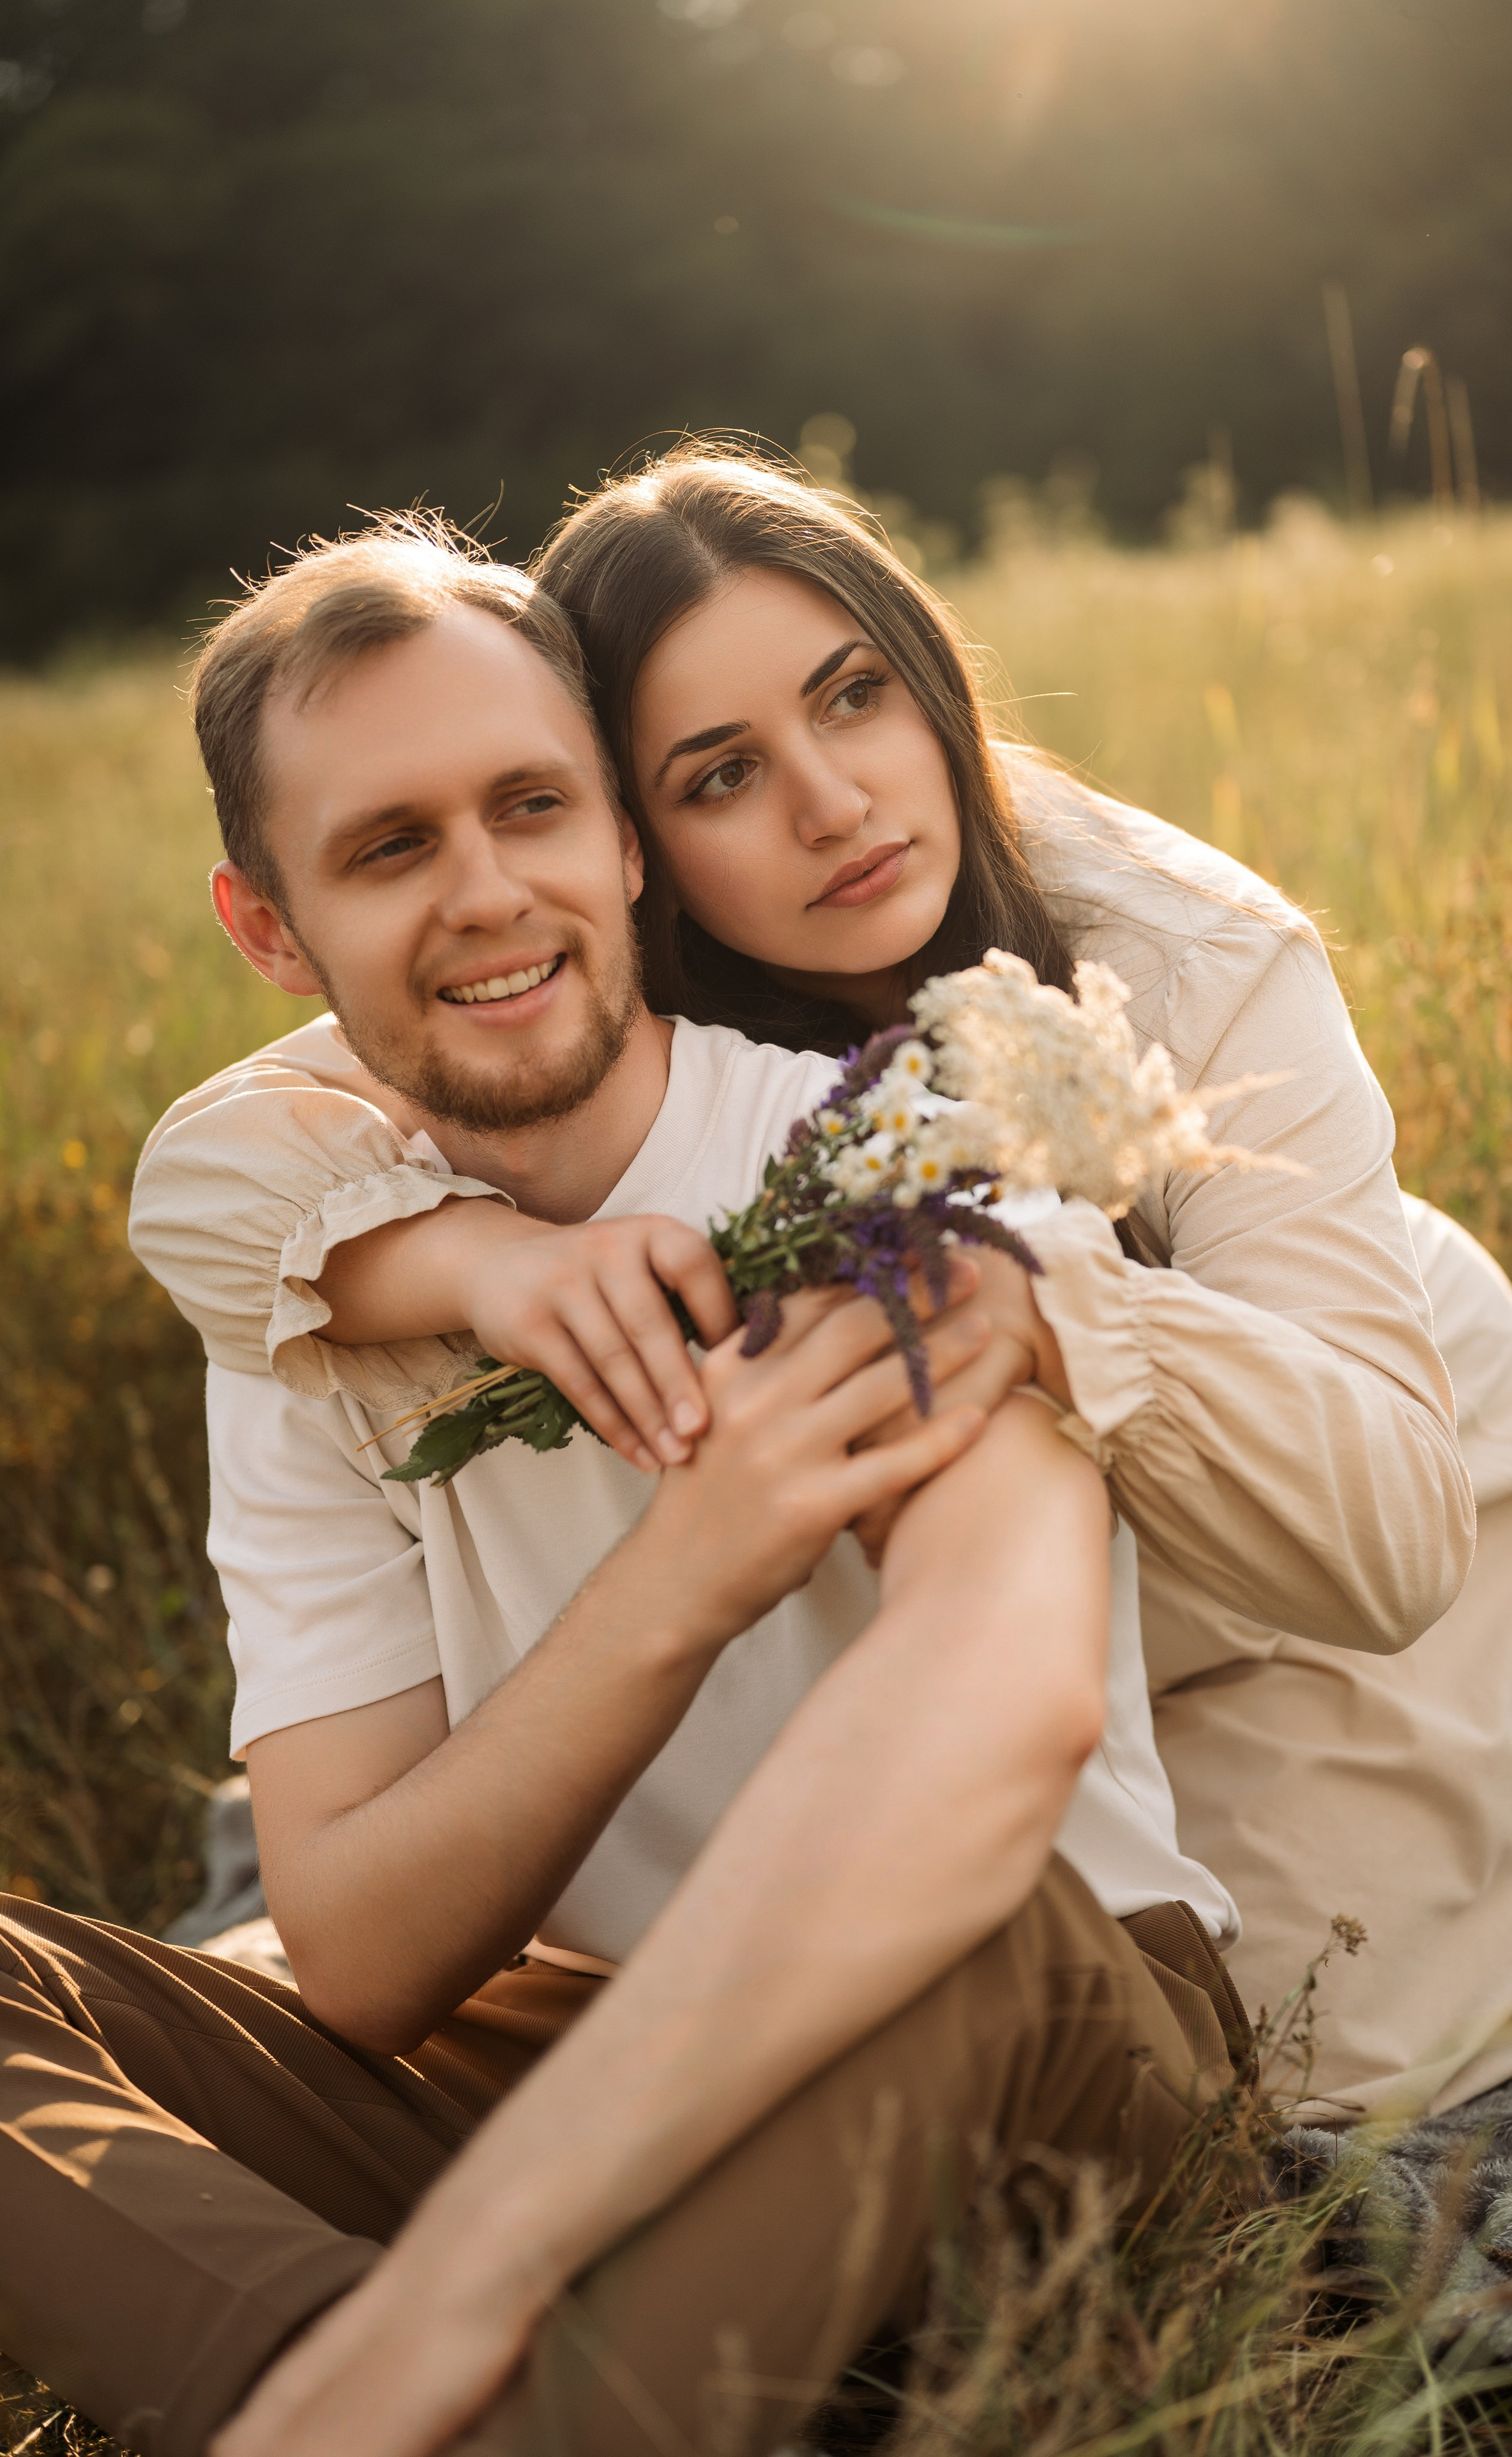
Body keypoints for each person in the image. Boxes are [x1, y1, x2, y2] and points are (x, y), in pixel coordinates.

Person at [133, 450, 1512, 2120]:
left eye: (856, 696)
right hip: (985, 1597)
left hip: (1317, 1499)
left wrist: (1067, 1306)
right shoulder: (553, 959)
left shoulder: (1188, 952)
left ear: (929, 682)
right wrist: (470, 1256)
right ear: (630, 827)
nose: (832, 803)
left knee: (1288, 2071)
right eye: (718, 775)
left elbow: (1396, 1546)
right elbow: (211, 1169)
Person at [2, 527, 1251, 2457]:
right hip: (588, 2047)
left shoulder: (881, 1173)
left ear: (627, 842)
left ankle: (415, 2373)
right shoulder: (311, 1291)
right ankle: (333, 2378)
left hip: (1034, 2029)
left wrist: (471, 2269)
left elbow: (1007, 1727)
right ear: (269, 930)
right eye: (390, 846)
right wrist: (679, 1583)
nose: (487, 893)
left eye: (532, 808)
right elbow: (362, 1951)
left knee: (989, 1941)